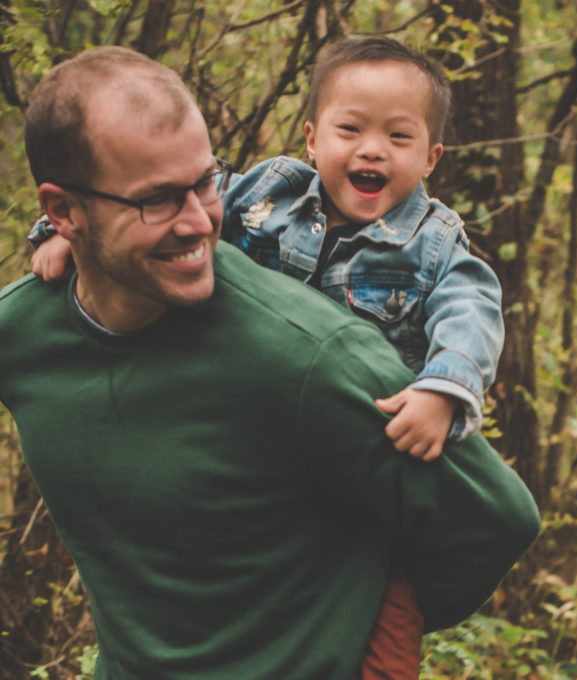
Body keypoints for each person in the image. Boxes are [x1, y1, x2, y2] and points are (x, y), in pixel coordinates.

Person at [1, 45, 540, 680]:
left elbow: (497, 517)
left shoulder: (320, 349)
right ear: (64, 210)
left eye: (204, 182)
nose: (200, 221)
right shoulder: (23, 330)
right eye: (157, 199)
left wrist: (355, 616)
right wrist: (53, 242)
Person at [32, 36, 503, 464]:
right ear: (313, 140)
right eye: (350, 130)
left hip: (353, 434)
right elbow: (154, 201)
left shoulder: (433, 243)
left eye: (399, 137)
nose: (372, 150)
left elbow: (472, 310)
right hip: (237, 402)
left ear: (429, 159)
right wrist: (71, 233)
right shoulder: (271, 188)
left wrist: (442, 391)